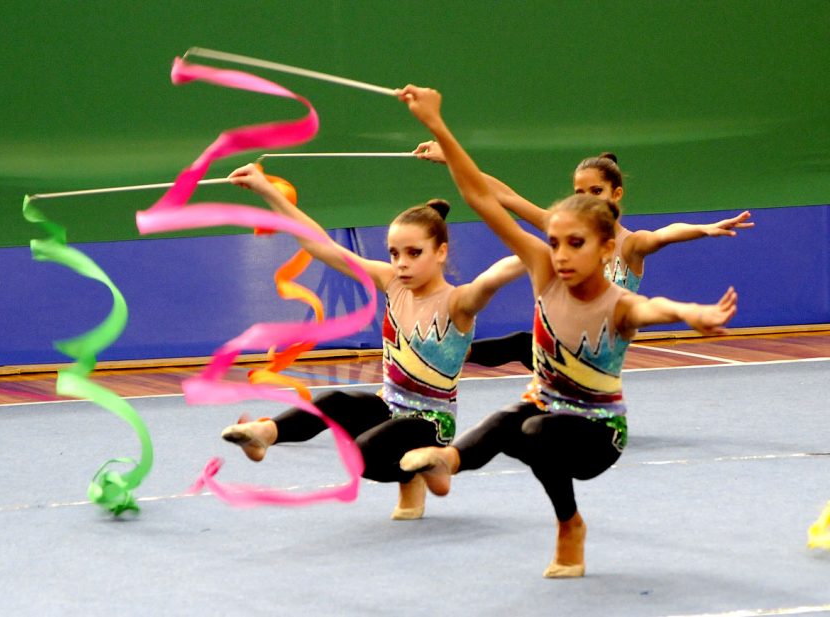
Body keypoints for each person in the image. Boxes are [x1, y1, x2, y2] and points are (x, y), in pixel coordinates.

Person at [396, 84, 738, 577]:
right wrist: (437, 126)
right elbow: (484, 197)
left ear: (604, 249)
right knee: (513, 418)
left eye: (574, 244)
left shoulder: (618, 295)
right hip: (546, 409)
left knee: (531, 425)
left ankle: (565, 524)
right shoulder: (543, 268)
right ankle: (451, 462)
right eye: (553, 242)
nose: (559, 254)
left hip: (597, 434)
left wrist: (691, 313)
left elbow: (650, 306)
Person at [221, 163, 526, 520]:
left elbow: (497, 274)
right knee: (335, 400)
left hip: (431, 422)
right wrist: (267, 190)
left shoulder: (457, 303)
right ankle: (265, 434)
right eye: (394, 253)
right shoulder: (391, 282)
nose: (401, 264)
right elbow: (323, 247)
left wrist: (548, 247)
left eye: (414, 253)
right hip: (390, 405)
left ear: (440, 252)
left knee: (361, 456)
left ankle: (429, 464)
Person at [414, 141, 752, 371]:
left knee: (523, 346)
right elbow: (507, 196)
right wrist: (451, 158)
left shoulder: (630, 245)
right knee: (523, 343)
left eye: (597, 191)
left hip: (596, 355)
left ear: (616, 194)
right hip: (562, 344)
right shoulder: (565, 230)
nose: (588, 198)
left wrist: (704, 228)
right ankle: (450, 353)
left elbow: (666, 233)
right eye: (580, 192)